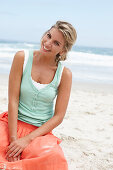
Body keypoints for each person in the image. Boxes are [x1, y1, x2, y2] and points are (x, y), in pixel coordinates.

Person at [0, 21, 77, 170]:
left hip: (40, 133)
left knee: (54, 158)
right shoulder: (22, 58)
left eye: (56, 43)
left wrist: (27, 140)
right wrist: (14, 140)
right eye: (48, 36)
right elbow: (13, 100)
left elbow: (58, 116)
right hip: (11, 124)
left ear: (63, 51)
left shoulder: (64, 74)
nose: (47, 43)